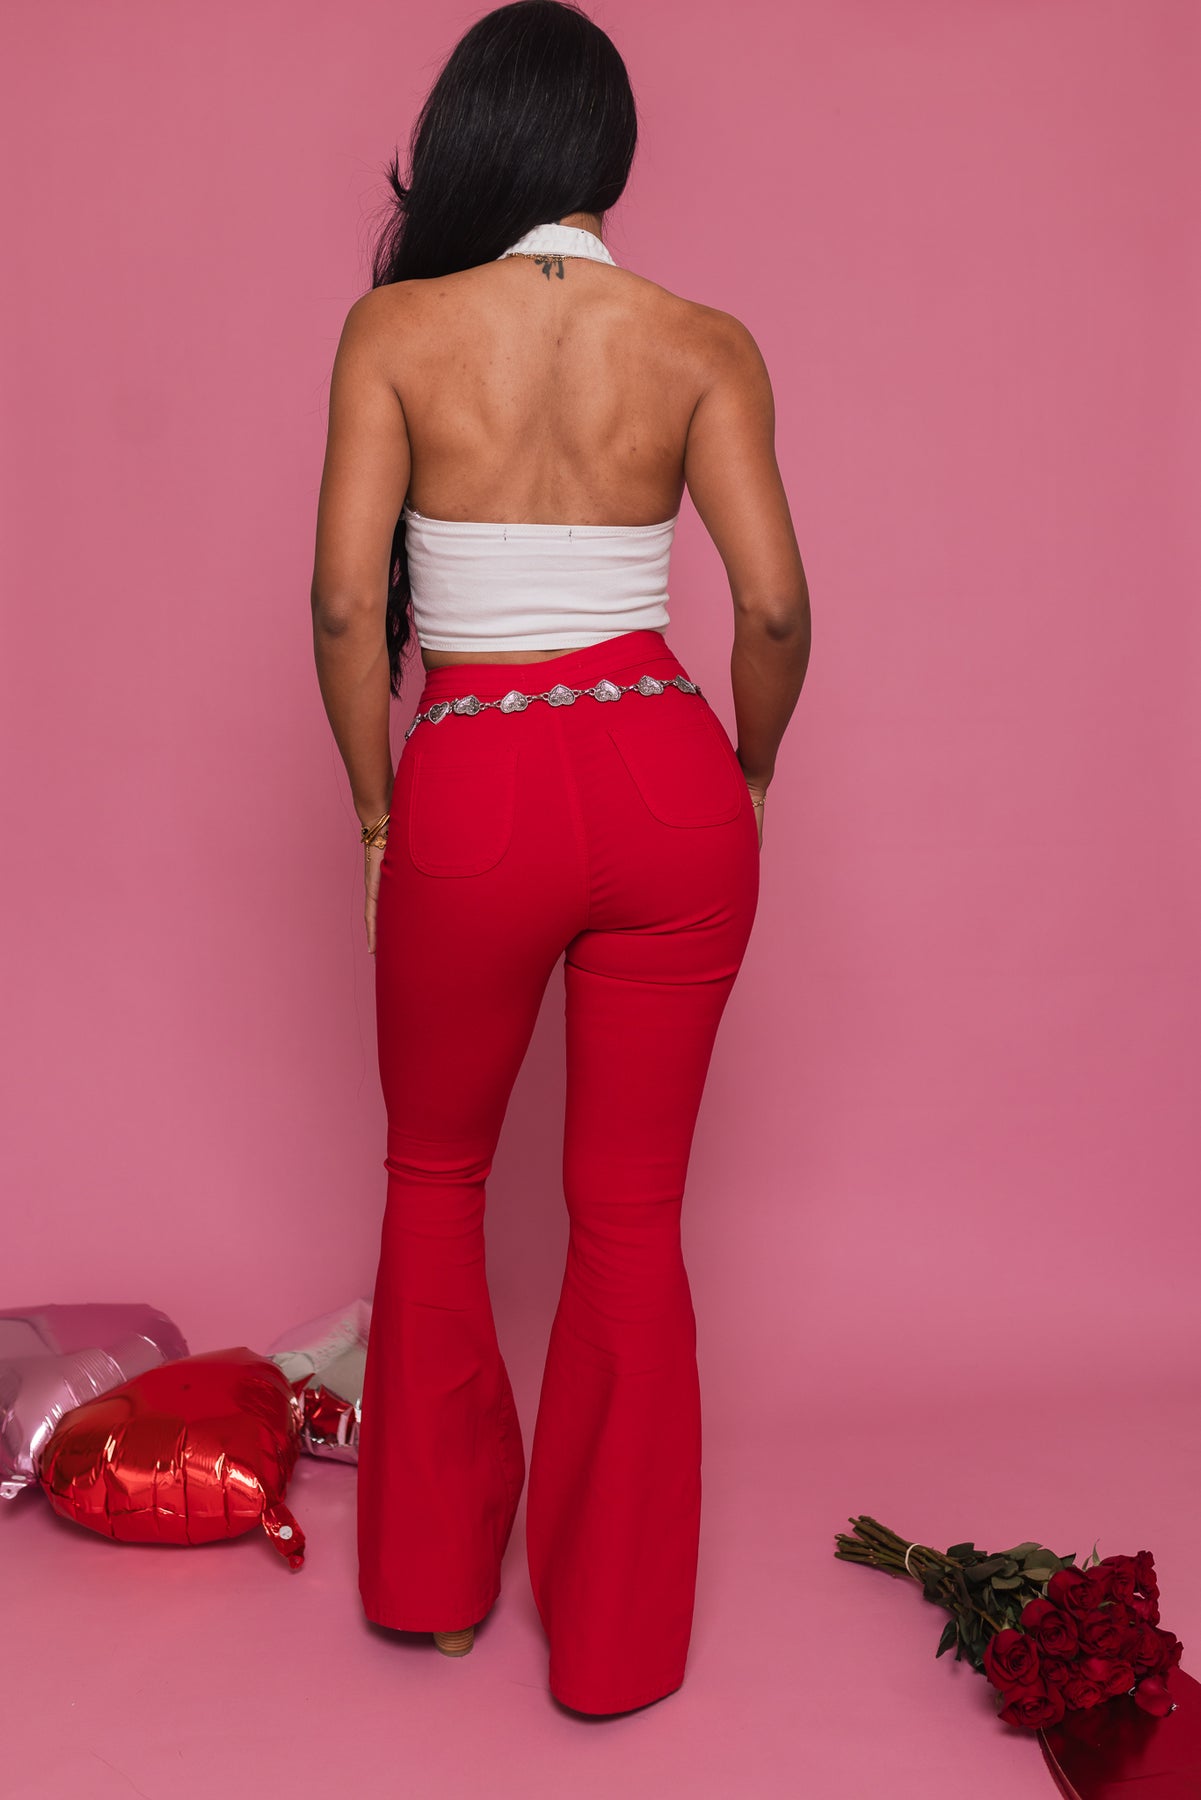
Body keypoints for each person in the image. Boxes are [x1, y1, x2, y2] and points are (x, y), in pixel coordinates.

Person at [310, 0, 810, 1718]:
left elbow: (342, 607)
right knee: (632, 1221)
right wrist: (749, 772)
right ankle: (610, 1651)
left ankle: (437, 1593)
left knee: (436, 1181)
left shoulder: (396, 329)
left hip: (478, 779)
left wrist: (376, 811)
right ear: (610, 155)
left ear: (470, 138)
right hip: (664, 774)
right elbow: (769, 607)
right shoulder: (701, 340)